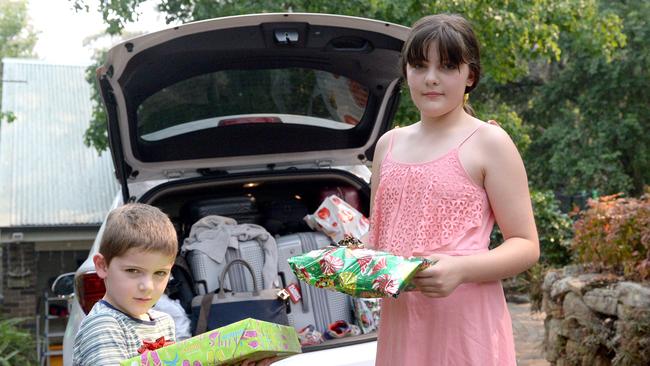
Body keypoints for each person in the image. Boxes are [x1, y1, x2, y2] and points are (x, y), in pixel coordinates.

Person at [368, 14, 540, 366]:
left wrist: (460, 270)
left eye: (447, 66)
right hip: (401, 327)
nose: (431, 78)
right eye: (419, 65)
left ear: (470, 75)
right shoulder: (388, 144)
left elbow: (526, 245)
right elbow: (379, 246)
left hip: (465, 330)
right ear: (406, 74)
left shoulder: (490, 142)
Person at [73, 203, 276, 366]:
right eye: (133, 271)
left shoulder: (164, 322)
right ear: (102, 266)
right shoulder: (104, 325)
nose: (148, 286)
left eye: (159, 273)